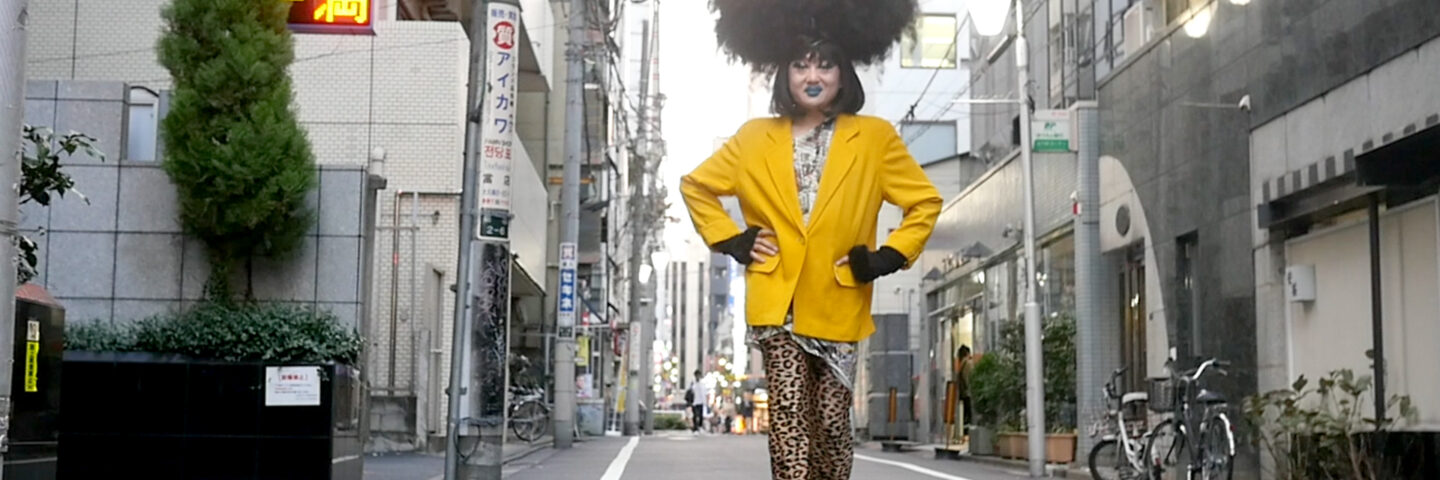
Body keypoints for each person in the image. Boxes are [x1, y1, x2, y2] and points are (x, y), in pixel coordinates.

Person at [682, 2, 939, 476]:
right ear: (785, 74)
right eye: (800, 65)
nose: (812, 75)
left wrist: (887, 257)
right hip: (776, 300)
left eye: (825, 63)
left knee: (830, 421)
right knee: (788, 413)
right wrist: (732, 241)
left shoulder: (876, 138)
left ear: (844, 74)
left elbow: (923, 202)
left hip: (839, 296)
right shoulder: (754, 137)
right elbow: (696, 186)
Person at [955, 345, 975, 437]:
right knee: (968, 415)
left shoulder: (961, 365)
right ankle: (967, 434)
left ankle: (964, 433)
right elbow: (968, 379)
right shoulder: (968, 364)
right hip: (968, 394)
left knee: (964, 415)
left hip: (963, 394)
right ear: (967, 353)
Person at [688, 370, 709, 434]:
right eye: (696, 375)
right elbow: (690, 392)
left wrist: (706, 401)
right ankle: (695, 428)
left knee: (700, 415)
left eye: (698, 375)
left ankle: (699, 427)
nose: (697, 376)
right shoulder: (692, 383)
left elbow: (705, 393)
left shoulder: (702, 383)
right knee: (695, 415)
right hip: (694, 402)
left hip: (701, 402)